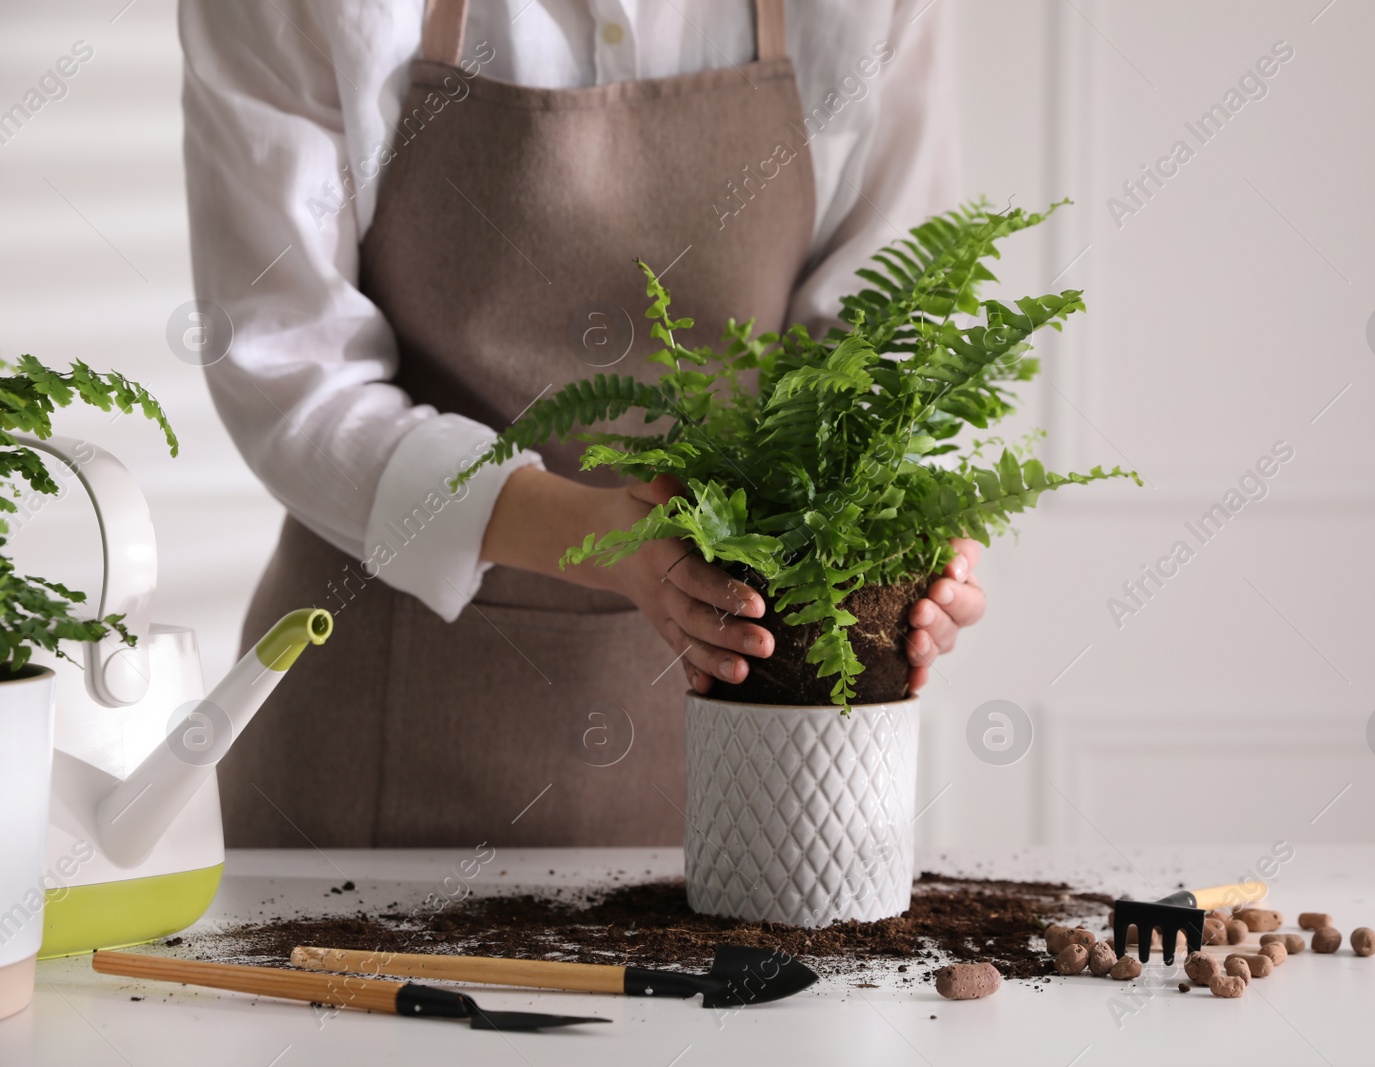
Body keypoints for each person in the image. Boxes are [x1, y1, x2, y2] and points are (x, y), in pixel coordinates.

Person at [179, 0, 986, 848]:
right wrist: (603, 537)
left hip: (750, 746)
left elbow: (893, 325)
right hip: (379, 744)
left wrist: (900, 550)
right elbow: (287, 364)